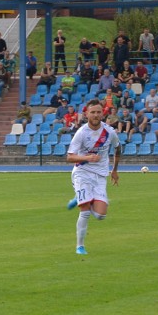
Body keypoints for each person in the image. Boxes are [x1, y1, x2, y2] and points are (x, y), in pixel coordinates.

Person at [65, 99, 121, 255]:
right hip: (82, 173)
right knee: (85, 212)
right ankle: (80, 246)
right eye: (93, 112)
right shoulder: (81, 133)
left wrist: (115, 170)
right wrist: (88, 158)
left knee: (101, 215)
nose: (96, 115)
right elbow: (69, 157)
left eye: (98, 112)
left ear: (103, 113)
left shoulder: (109, 132)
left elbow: (118, 149)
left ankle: (79, 198)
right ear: (86, 114)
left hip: (100, 175)